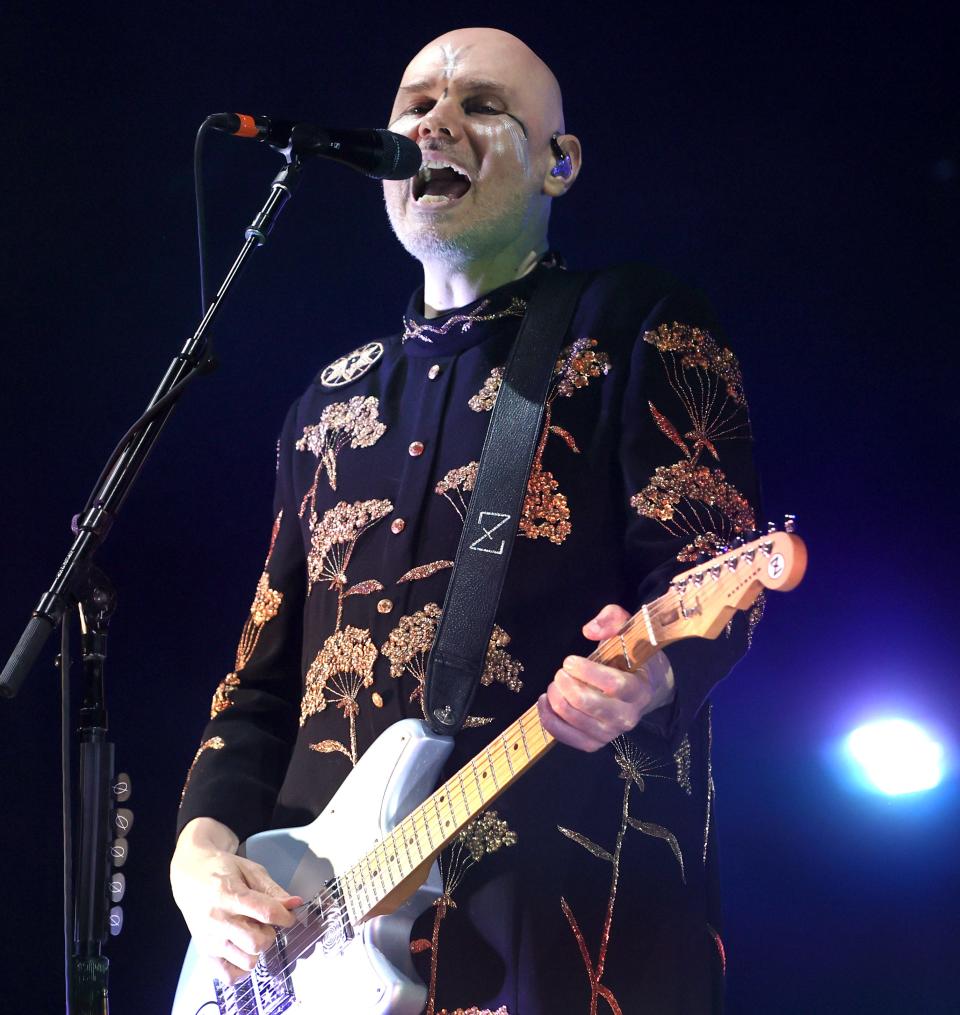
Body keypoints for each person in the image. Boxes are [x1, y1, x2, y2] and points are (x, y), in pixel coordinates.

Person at [171, 26, 762, 1015]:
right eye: (414, 107)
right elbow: (257, 688)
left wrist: (653, 673)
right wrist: (200, 856)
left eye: (483, 105)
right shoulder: (328, 403)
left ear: (558, 163)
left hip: (555, 928)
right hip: (309, 954)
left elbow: (713, 570)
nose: (435, 123)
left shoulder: (631, 325)